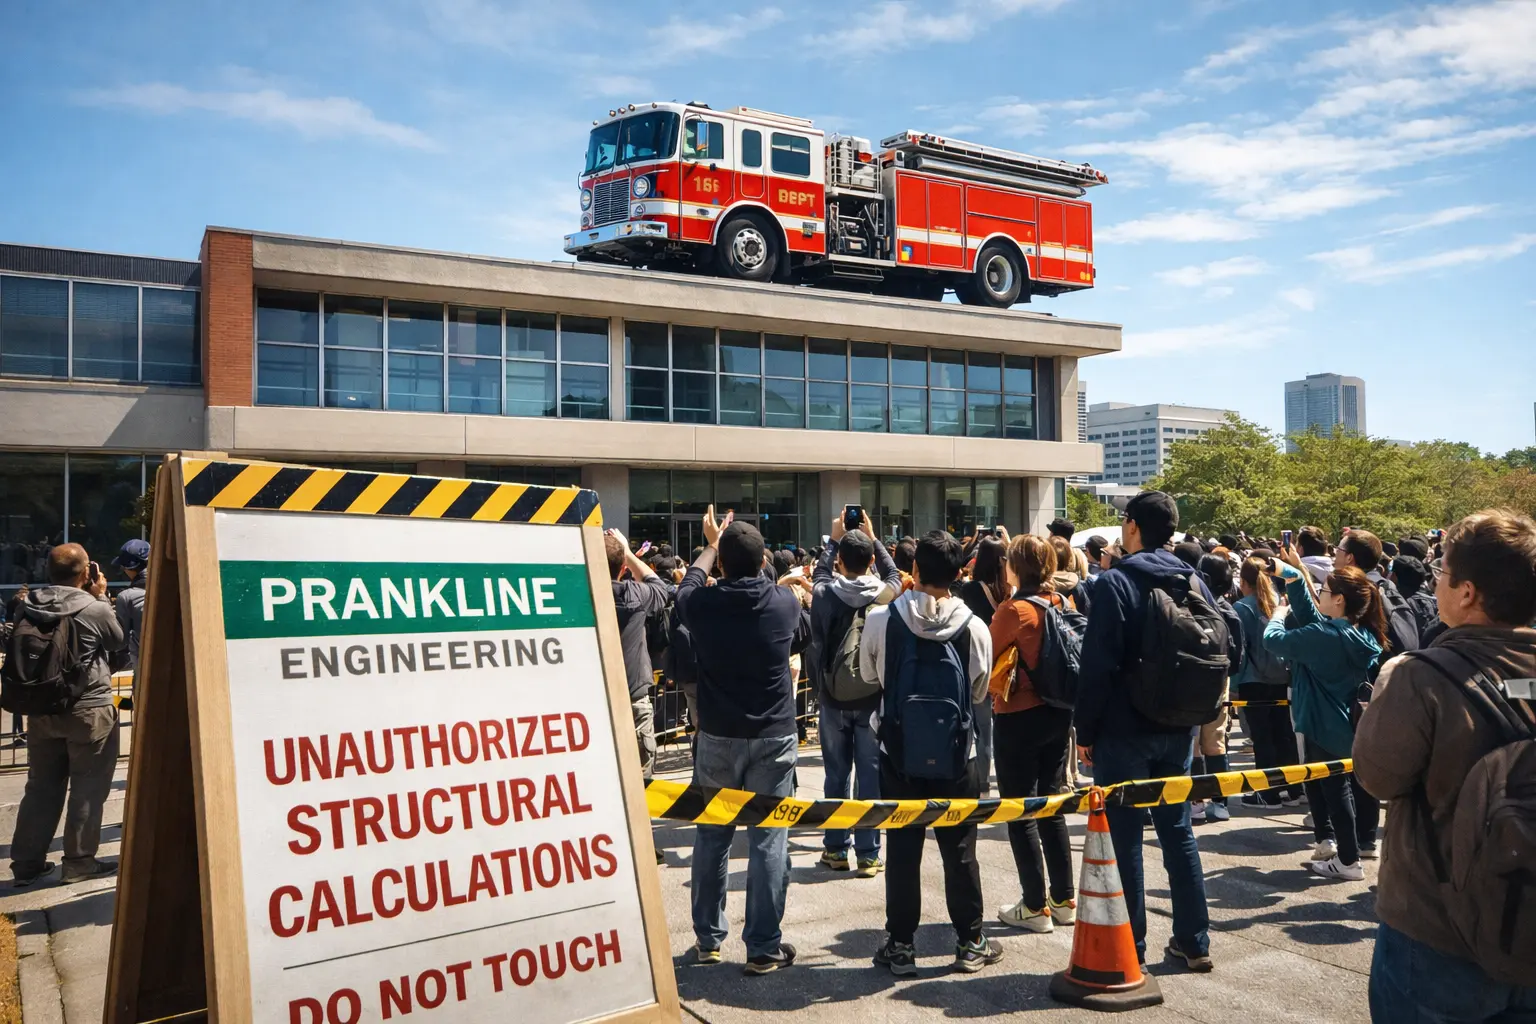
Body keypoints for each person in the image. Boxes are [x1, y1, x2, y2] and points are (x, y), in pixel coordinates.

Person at [1355, 509, 1536, 1021]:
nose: (1436, 584)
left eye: (1442, 574)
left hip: (1437, 931)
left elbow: (1377, 779)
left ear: (1468, 592)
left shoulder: (1419, 676)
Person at [1074, 491, 1213, 970]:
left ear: (1131, 526)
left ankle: (1129, 949)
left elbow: (1096, 666)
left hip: (1123, 729)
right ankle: (1194, 941)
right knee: (1177, 834)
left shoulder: (1115, 583)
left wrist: (1085, 730)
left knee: (1125, 839)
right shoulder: (1194, 579)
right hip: (1179, 726)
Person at [859, 531, 999, 976]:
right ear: (960, 575)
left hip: (898, 751)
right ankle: (971, 941)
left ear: (914, 571)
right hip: (959, 754)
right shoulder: (974, 626)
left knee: (902, 849)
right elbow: (979, 689)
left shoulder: (882, 620)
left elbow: (868, 675)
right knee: (960, 850)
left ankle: (901, 945)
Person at [677, 507, 809, 975]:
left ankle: (709, 939)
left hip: (717, 735)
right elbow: (774, 588)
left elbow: (688, 585)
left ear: (725, 565)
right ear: (762, 564)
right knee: (770, 840)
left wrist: (712, 542)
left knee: (712, 837)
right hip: (774, 736)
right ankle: (763, 946)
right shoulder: (784, 604)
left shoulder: (705, 606)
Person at [7, 544, 124, 885]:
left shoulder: (27, 606)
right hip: (88, 708)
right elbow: (116, 642)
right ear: (87, 573)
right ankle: (79, 862)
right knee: (88, 786)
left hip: (42, 707)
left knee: (40, 786)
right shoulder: (92, 607)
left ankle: (26, 863)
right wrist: (101, 597)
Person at [1263, 552, 1384, 881]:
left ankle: (1347, 860)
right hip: (1344, 723)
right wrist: (1291, 574)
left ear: (1340, 600)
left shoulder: (1325, 636)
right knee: (1338, 788)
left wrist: (1277, 612)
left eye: (1325, 592)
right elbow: (1311, 615)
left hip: (1321, 724)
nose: (1320, 596)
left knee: (1335, 791)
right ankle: (1346, 850)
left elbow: (1273, 640)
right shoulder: (1358, 635)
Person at [989, 535, 1077, 933]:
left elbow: (986, 657)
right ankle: (1064, 899)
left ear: (1015, 567)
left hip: (1017, 714)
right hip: (1058, 712)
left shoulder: (1012, 610)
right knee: (1051, 802)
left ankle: (1033, 905)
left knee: (1019, 808)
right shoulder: (1061, 602)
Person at [808, 511, 901, 877]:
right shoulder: (886, 595)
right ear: (872, 561)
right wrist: (875, 538)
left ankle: (834, 848)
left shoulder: (826, 594)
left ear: (841, 561)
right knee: (870, 775)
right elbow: (894, 574)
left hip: (832, 698)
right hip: (872, 698)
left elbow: (818, 575)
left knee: (835, 776)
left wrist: (832, 541)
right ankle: (867, 853)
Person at [604, 529, 672, 862]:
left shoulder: (577, 593)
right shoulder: (633, 594)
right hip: (633, 699)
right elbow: (662, 588)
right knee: (640, 778)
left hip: (593, 702)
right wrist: (630, 555)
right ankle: (641, 845)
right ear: (621, 569)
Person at [1232, 556, 1302, 808]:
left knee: (1263, 737)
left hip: (1253, 679)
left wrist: (1233, 685)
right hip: (1281, 676)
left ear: (1243, 581)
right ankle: (1293, 789)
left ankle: (1267, 793)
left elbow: (1240, 649)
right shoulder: (1280, 605)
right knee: (1284, 733)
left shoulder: (1242, 608)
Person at [1189, 554, 1244, 824]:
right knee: (1216, 742)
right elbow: (1237, 660)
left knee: (1195, 743)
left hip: (1192, 680)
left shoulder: (1191, 605)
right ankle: (1221, 802)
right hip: (1220, 681)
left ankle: (1196, 802)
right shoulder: (1230, 611)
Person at [958, 532, 1009, 796]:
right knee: (990, 729)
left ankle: (974, 778)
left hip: (974, 665)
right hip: (1003, 668)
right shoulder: (1008, 591)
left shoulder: (969, 590)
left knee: (973, 725)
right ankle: (989, 778)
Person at [112, 539, 149, 684]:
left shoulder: (126, 597)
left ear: (128, 567)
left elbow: (120, 642)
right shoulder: (176, 587)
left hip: (145, 671)